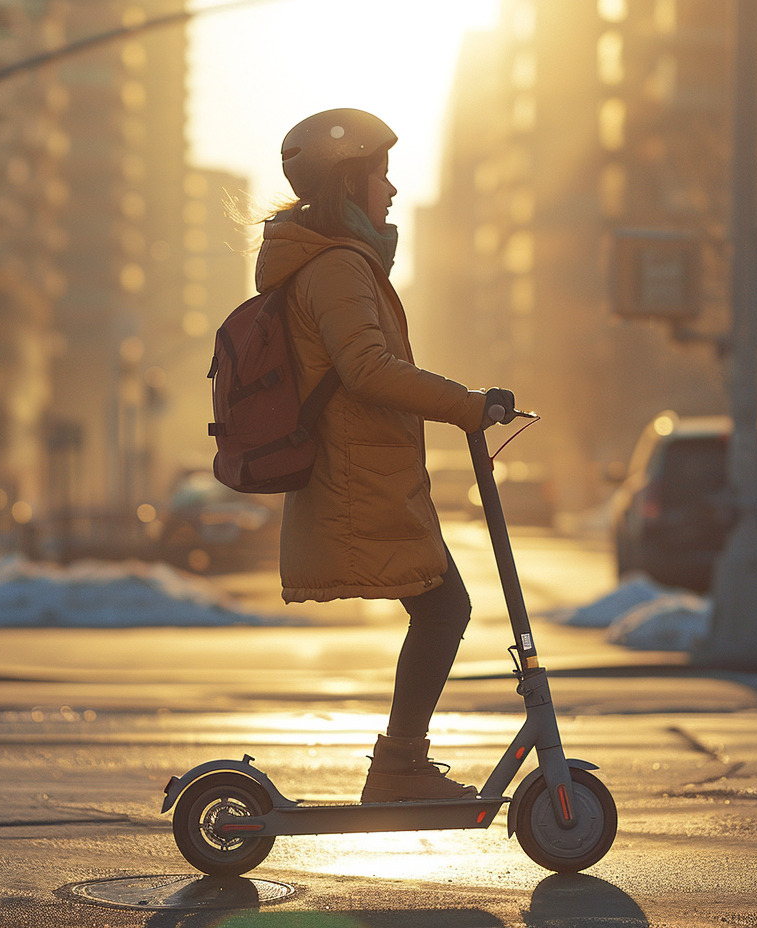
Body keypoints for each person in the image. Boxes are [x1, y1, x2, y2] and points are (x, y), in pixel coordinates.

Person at [254, 108, 516, 803]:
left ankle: (400, 765)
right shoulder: (338, 265)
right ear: (348, 184)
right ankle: (398, 770)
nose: (392, 190)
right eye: (381, 175)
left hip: (366, 474)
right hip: (357, 479)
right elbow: (366, 369)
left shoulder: (336, 262)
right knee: (444, 609)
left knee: (442, 609)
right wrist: (470, 401)